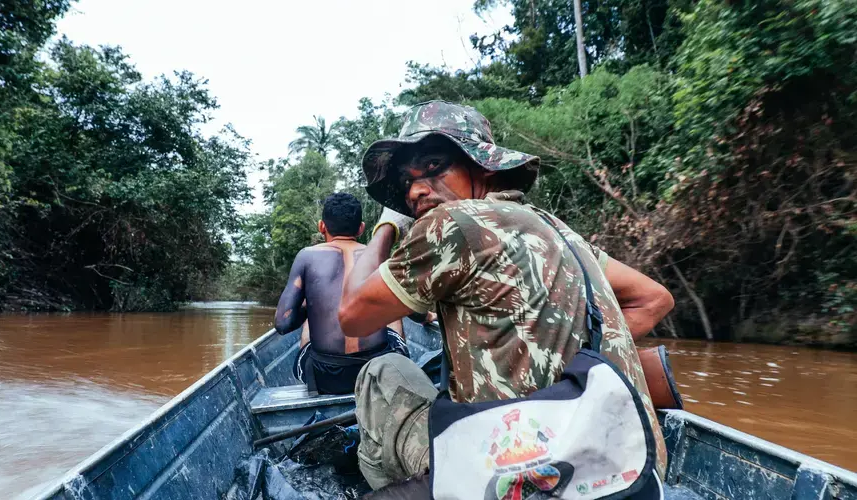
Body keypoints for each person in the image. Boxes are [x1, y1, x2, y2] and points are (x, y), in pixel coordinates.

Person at [337, 100, 675, 489]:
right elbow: (653, 299)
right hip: (631, 477)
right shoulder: (558, 230)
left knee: (381, 372)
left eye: (433, 166)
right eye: (406, 181)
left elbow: (351, 315)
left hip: (521, 481)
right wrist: (559, 356)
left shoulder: (452, 223)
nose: (415, 190)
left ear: (481, 165)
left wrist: (387, 226)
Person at [274, 192, 408, 395]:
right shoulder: (380, 256)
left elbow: (283, 323)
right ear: (361, 228)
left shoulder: (307, 256)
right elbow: (413, 305)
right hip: (378, 373)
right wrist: (427, 316)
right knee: (393, 308)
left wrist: (313, 306)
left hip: (324, 378)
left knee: (310, 320)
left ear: (322, 226)